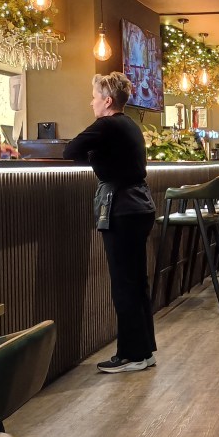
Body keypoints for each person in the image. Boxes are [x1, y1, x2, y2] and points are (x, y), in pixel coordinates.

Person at [64, 72, 157, 373]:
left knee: (123, 283)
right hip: (140, 205)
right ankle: (144, 350)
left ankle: (131, 355)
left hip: (123, 208)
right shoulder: (130, 124)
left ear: (107, 100)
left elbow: (69, 151)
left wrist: (93, 153)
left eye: (94, 97)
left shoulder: (106, 124)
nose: (91, 102)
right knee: (136, 280)